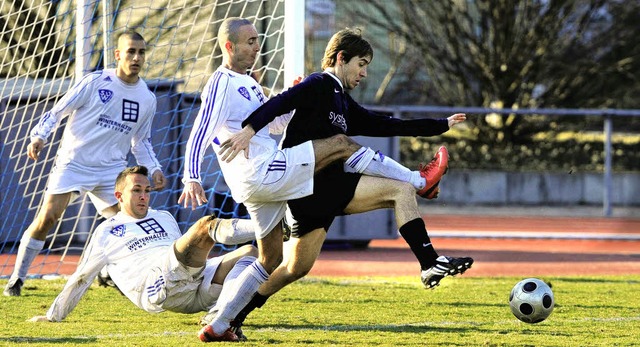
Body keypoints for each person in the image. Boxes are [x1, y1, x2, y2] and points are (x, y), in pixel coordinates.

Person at [179, 18, 449, 342]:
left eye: (257, 41)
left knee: (271, 259)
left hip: (262, 182)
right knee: (339, 143)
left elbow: (274, 126)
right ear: (228, 46)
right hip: (262, 171)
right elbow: (200, 128)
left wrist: (287, 107)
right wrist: (191, 176)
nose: (256, 47)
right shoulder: (222, 81)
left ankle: (221, 323)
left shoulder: (249, 83)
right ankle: (419, 181)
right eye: (249, 41)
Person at [3, 30, 168, 297]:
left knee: (128, 222)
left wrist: (156, 169)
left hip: (112, 171)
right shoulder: (95, 82)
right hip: (74, 163)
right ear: (118, 55)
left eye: (141, 52)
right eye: (130, 51)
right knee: (48, 218)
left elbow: (141, 142)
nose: (136, 57)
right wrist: (38, 136)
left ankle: (107, 272)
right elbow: (58, 111)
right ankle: (17, 278)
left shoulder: (147, 98)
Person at [27, 166, 256, 340]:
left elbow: (181, 254)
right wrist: (53, 315)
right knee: (205, 226)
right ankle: (268, 227)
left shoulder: (163, 217)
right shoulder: (107, 231)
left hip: (195, 288)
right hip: (157, 286)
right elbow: (81, 277)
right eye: (136, 190)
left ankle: (219, 316)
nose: (144, 196)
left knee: (250, 252)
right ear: (119, 196)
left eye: (146, 190)